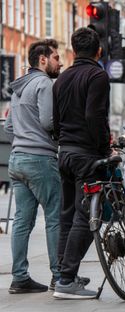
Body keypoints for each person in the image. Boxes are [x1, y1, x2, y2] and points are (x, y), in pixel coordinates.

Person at [52, 27, 111, 299]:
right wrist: (104, 149)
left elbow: (54, 120)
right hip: (86, 155)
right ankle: (66, 279)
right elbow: (94, 117)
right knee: (87, 215)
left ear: (73, 52)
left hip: (64, 153)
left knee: (67, 216)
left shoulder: (61, 80)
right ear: (98, 51)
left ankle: (62, 275)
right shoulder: (97, 75)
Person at [3, 39, 63, 293]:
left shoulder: (18, 88)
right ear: (43, 60)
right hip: (39, 159)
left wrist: (25, 135)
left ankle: (19, 278)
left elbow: (8, 127)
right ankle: (60, 276)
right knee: (54, 217)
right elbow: (49, 121)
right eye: (56, 58)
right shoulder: (43, 83)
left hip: (17, 160)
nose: (59, 62)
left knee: (22, 221)